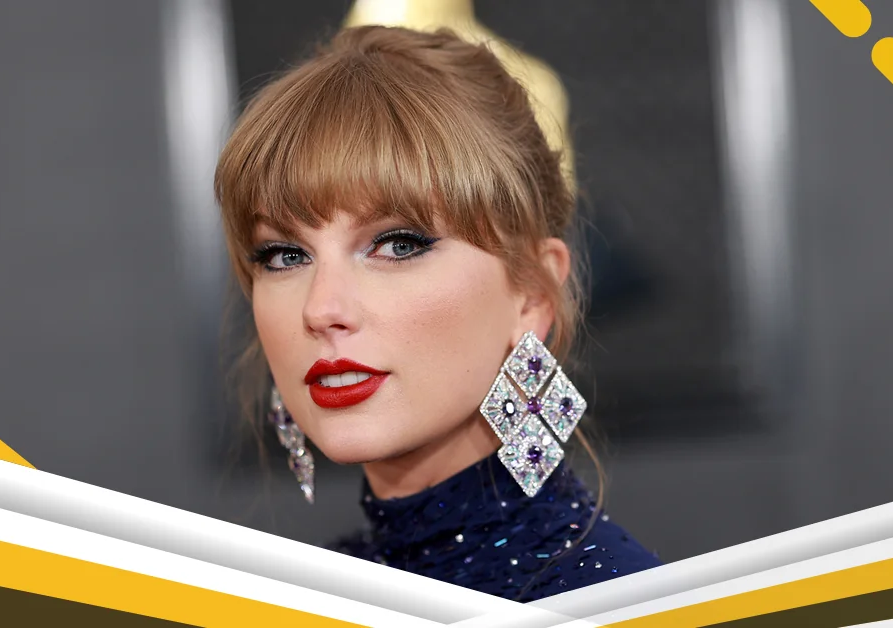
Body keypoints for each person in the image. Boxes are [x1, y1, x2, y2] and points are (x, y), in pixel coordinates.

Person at [214, 25, 661, 602]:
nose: (321, 309)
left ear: (532, 294)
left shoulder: (604, 600)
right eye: (284, 255)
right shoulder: (308, 600)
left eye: (398, 244)